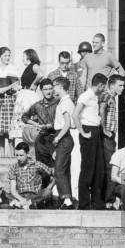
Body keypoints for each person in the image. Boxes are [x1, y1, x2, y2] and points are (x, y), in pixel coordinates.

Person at [48, 50, 85, 199]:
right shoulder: (52, 75)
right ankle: (65, 196)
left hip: (65, 128)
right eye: (62, 63)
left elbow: (80, 94)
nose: (64, 66)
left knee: (61, 169)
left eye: (67, 63)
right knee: (61, 168)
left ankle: (67, 198)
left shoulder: (73, 76)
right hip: (58, 120)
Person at [73, 73, 107, 209]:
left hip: (95, 131)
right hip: (88, 130)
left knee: (99, 168)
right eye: (103, 86)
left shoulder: (94, 97)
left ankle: (97, 202)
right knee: (88, 168)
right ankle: (84, 203)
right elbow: (75, 115)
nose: (104, 89)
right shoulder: (86, 96)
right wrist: (82, 132)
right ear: (100, 85)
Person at [100, 75, 125, 208]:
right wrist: (104, 129)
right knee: (111, 166)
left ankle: (108, 198)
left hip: (110, 135)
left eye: (123, 85)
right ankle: (109, 200)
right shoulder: (107, 95)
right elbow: (102, 109)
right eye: (120, 85)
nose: (123, 88)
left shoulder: (113, 97)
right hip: (106, 136)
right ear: (112, 85)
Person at [21, 78, 58, 167]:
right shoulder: (37, 105)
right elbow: (24, 117)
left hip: (55, 137)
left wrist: (51, 125)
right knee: (41, 167)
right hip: (41, 139)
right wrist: (36, 124)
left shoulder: (58, 102)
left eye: (50, 89)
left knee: (56, 167)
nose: (48, 92)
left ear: (53, 89)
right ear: (41, 90)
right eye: (45, 89)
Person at [52, 76, 76, 209]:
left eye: (55, 86)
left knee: (59, 171)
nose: (53, 89)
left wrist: (57, 139)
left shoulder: (66, 103)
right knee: (64, 171)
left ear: (61, 87)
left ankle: (67, 200)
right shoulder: (62, 102)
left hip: (63, 137)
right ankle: (66, 199)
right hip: (63, 137)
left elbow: (67, 124)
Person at [10, 48, 43, 142]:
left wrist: (34, 83)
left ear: (29, 56)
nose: (22, 59)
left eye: (24, 57)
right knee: (20, 116)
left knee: (27, 114)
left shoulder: (34, 65)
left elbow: (40, 74)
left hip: (29, 95)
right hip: (24, 93)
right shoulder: (27, 68)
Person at [8, 142, 54, 209]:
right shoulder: (14, 167)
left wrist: (50, 186)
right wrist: (21, 199)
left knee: (47, 192)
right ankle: (23, 204)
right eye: (17, 155)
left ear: (27, 154)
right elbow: (13, 189)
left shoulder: (37, 165)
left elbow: (55, 174)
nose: (18, 158)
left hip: (35, 195)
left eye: (21, 155)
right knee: (5, 195)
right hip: (21, 195)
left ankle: (28, 204)